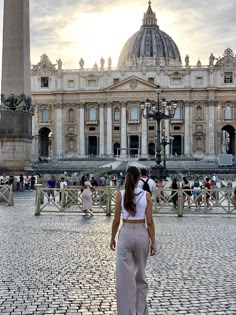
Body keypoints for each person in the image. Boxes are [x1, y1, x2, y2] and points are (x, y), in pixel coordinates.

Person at [110, 166, 156, 315]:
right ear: (139, 179)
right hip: (142, 234)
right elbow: (149, 222)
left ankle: (126, 312)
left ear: (126, 177)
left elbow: (116, 221)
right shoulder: (146, 195)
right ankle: (140, 311)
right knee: (140, 276)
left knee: (125, 279)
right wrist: (153, 241)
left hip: (126, 234)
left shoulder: (120, 195)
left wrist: (112, 237)